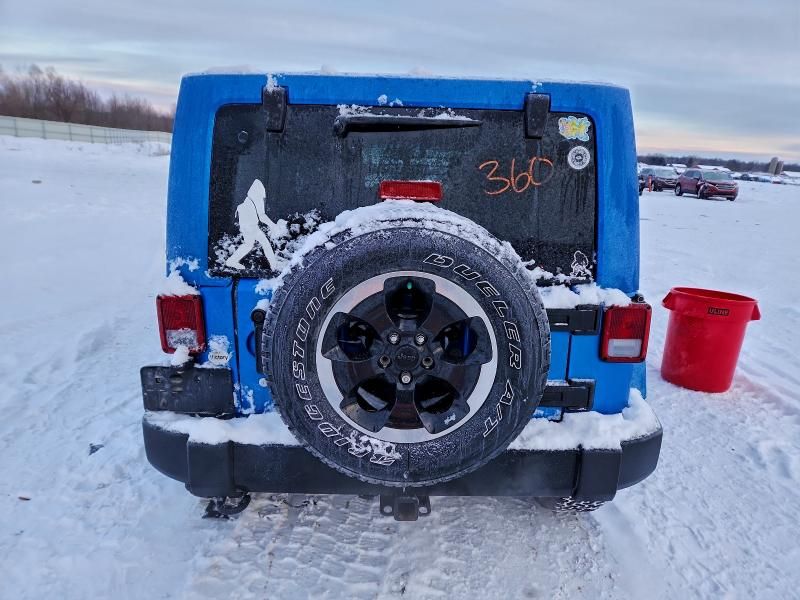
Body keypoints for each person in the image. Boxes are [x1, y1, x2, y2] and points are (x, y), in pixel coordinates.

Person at [225, 178, 280, 270]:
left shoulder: (248, 199)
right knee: (265, 243)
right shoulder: (257, 198)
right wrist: (273, 226)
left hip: (245, 226)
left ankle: (231, 261)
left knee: (248, 244)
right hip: (251, 227)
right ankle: (274, 266)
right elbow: (261, 216)